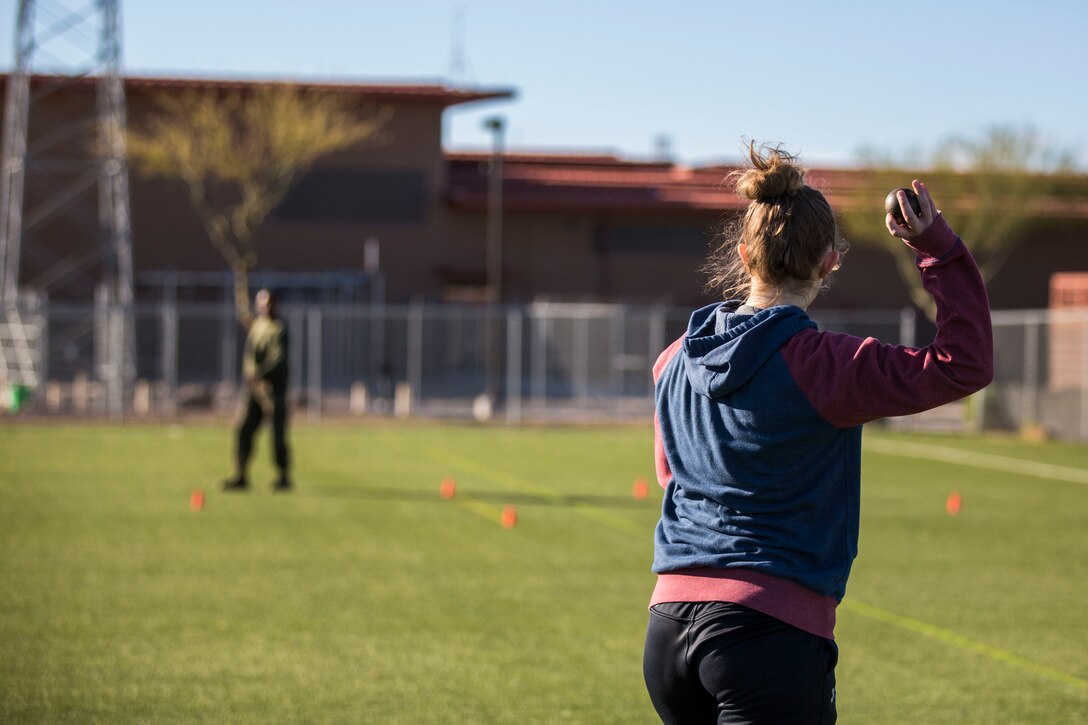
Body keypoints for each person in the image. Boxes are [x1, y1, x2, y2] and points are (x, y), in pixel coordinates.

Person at [642, 143, 993, 724]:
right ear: (830, 260)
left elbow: (672, 475)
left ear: (745, 252)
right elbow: (964, 363)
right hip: (767, 634)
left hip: (667, 630)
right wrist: (938, 249)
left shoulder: (673, 359)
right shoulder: (828, 365)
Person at [222, 287, 292, 492]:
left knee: (277, 433)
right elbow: (241, 308)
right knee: (244, 429)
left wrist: (260, 373)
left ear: (276, 304)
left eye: (270, 302)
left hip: (272, 389)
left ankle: (283, 476)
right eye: (262, 302)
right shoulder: (257, 325)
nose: (266, 306)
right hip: (253, 389)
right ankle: (241, 474)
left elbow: (278, 359)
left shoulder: (278, 328)